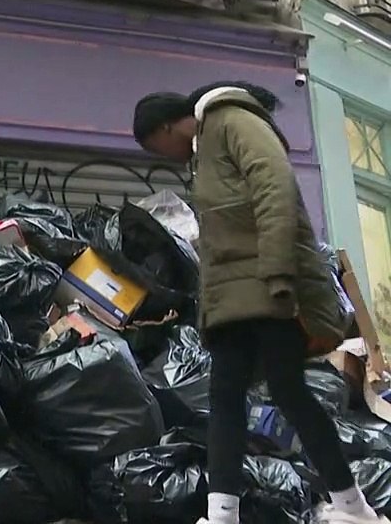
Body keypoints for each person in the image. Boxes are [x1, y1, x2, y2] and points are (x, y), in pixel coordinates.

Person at [133, 82, 381, 524]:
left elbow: (275, 187)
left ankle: (353, 506)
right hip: (238, 300)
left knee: (287, 394)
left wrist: (279, 272)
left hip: (268, 290)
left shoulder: (232, 120)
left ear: (168, 127)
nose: (164, 156)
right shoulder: (204, 148)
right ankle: (224, 514)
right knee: (233, 397)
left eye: (158, 146)